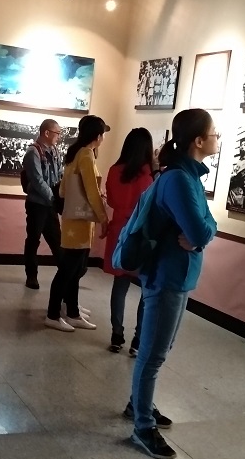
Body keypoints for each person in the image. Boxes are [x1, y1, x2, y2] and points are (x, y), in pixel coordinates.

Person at [126, 108, 218, 459]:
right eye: (214, 134)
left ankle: (138, 404)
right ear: (199, 140)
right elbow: (201, 230)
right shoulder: (179, 179)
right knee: (152, 354)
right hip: (166, 275)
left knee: (159, 350)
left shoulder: (189, 176)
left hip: (179, 275)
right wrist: (200, 236)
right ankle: (142, 426)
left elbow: (209, 225)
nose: (217, 139)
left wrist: (200, 236)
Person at [44, 115, 109, 332]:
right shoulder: (87, 155)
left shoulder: (75, 153)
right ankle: (53, 314)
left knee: (73, 269)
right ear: (97, 136)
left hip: (74, 220)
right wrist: (103, 217)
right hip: (81, 222)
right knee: (68, 270)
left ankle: (72, 311)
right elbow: (92, 191)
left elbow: (63, 190)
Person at [103, 128, 154, 354]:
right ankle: (138, 340)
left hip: (119, 231)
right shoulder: (150, 176)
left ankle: (117, 335)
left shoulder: (115, 171)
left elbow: (112, 201)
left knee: (120, 285)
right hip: (142, 234)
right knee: (145, 289)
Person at [22, 119, 63, 290]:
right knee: (33, 240)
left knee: (57, 241)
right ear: (47, 133)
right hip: (37, 204)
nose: (59, 137)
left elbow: (59, 175)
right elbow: (37, 180)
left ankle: (66, 273)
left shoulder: (55, 151)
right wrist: (53, 198)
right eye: (57, 133)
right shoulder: (33, 152)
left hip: (50, 205)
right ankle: (31, 276)